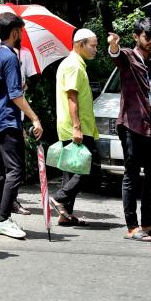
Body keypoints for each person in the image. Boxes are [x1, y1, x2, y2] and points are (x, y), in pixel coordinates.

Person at [107, 18, 151, 241]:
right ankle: (132, 227)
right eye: (146, 37)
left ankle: (147, 225)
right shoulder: (128, 57)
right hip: (131, 125)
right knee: (131, 174)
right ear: (136, 37)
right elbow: (116, 56)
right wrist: (113, 44)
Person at [0, 12, 44, 239]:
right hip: (8, 120)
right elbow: (15, 95)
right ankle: (3, 218)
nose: (22, 35)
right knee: (15, 170)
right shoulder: (9, 58)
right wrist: (34, 117)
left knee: (0, 171)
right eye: (20, 31)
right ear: (14, 32)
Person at [50, 28, 100, 227]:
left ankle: (65, 214)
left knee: (71, 169)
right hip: (77, 126)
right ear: (80, 44)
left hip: (73, 125)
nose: (96, 49)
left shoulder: (74, 63)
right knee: (90, 167)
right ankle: (60, 198)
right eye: (93, 45)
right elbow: (72, 96)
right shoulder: (74, 66)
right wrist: (77, 127)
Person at [0, 46, 36, 215]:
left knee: (11, 165)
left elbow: (32, 78)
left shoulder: (25, 54)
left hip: (16, 114)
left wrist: (23, 85)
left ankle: (11, 202)